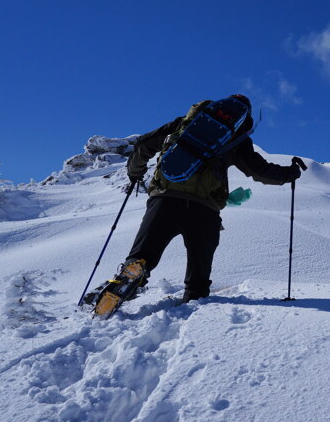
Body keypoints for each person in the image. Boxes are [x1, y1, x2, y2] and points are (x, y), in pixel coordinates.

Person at [120, 94, 304, 303]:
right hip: (205, 210)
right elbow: (259, 171)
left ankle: (128, 278)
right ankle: (194, 301)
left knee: (142, 257)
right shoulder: (237, 137)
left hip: (165, 200)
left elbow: (143, 144)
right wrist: (290, 173)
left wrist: (135, 173)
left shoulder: (185, 124)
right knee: (199, 274)